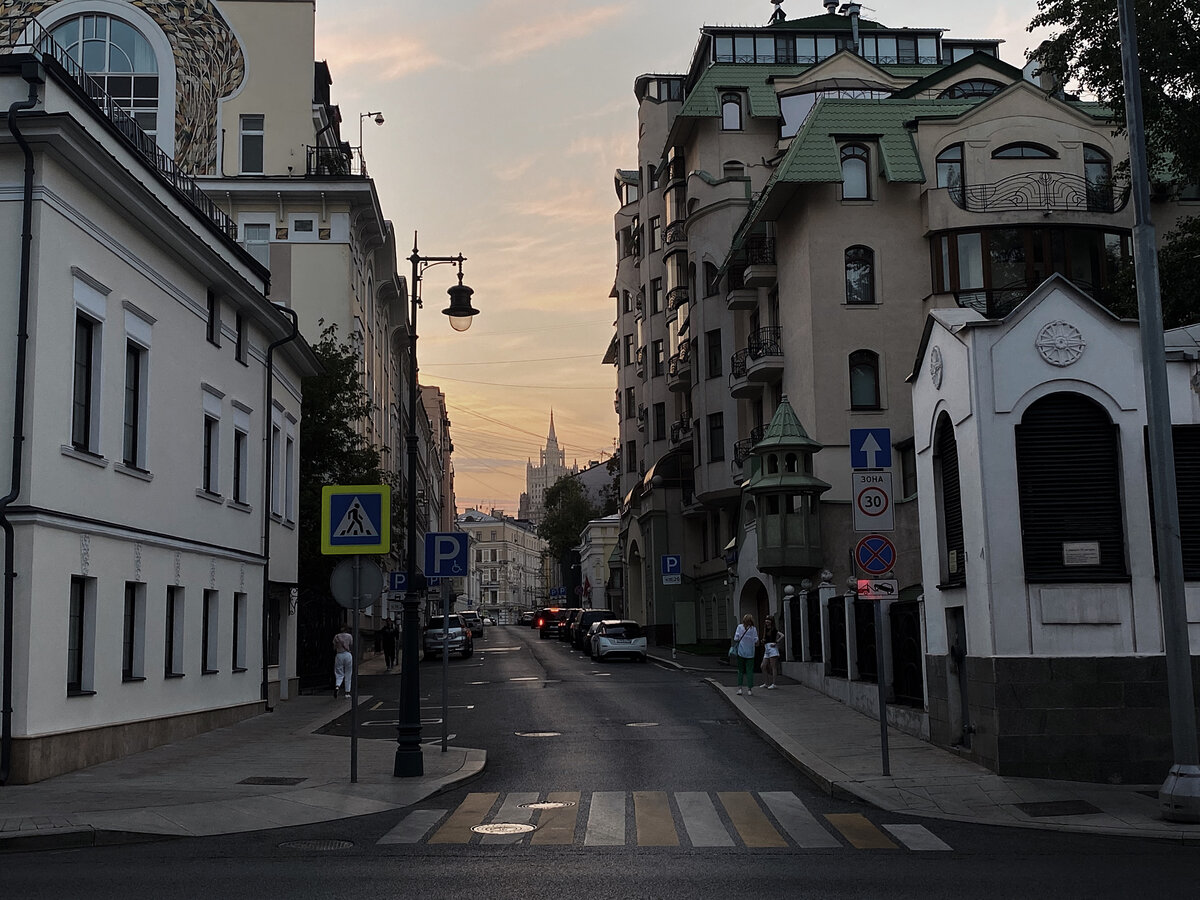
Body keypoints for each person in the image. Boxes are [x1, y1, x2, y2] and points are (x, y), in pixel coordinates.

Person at [731, 614, 758, 696]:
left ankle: (740, 689)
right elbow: (756, 640)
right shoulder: (753, 629)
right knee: (750, 671)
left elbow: (736, 638)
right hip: (750, 652)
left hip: (741, 652)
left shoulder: (739, 627)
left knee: (740, 671)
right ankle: (749, 689)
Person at [761, 615, 784, 689]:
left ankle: (774, 683)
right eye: (766, 619)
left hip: (772, 648)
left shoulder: (774, 629)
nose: (767, 621)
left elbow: (782, 635)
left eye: (768, 620)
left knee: (773, 666)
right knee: (763, 666)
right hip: (766, 648)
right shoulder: (765, 629)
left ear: (771, 621)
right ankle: (766, 683)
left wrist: (776, 642)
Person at [333, 627, 353, 698]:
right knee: (348, 673)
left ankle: (337, 686)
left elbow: (334, 647)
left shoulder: (336, 636)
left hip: (339, 655)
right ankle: (347, 692)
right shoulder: (349, 636)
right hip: (347, 655)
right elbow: (351, 644)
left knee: (339, 673)